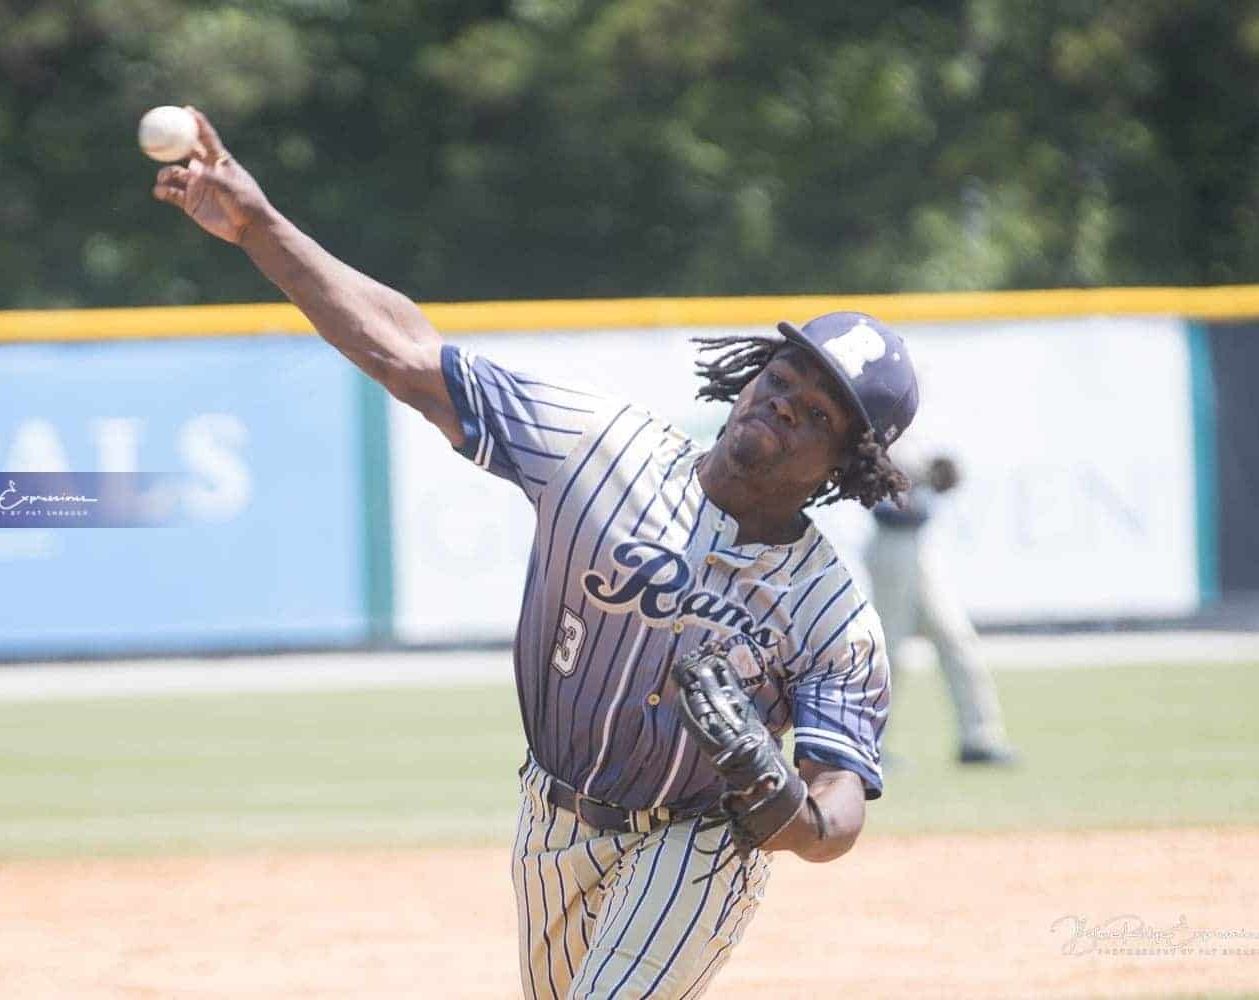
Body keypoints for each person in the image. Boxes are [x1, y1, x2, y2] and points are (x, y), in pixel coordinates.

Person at [152, 108, 919, 998]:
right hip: (550, 816)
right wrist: (258, 226)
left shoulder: (830, 614)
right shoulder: (598, 446)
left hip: (701, 839)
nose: (784, 404)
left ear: (845, 465)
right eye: (781, 379)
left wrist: (777, 795)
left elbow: (836, 816)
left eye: (817, 415)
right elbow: (406, 351)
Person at [866, 455, 1016, 765]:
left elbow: (944, 473)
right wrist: (922, 472)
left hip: (920, 542)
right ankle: (865, 744)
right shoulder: (882, 412)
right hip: (891, 539)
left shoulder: (926, 418)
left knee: (956, 638)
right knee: (888, 648)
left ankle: (979, 739)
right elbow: (879, 468)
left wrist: (939, 476)